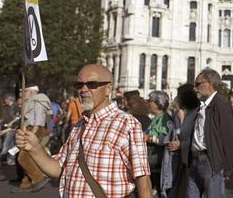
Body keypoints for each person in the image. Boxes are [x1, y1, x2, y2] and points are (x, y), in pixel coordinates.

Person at [15, 64, 152, 198]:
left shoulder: (126, 123)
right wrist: (35, 148)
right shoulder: (80, 125)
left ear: (108, 88)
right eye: (79, 85)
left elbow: (142, 178)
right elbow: (58, 169)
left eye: (92, 84)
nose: (84, 89)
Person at [166, 69, 233, 197]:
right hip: (195, 159)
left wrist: (227, 167)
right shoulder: (200, 107)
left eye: (198, 84)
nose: (195, 88)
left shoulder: (221, 106)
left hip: (211, 161)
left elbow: (229, 139)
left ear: (209, 84)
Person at [14, 85, 52, 193]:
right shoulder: (31, 102)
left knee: (23, 158)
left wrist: (33, 133)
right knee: (28, 156)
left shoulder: (38, 101)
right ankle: (25, 184)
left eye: (25, 91)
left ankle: (39, 178)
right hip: (30, 129)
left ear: (31, 92)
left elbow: (39, 119)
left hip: (35, 129)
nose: (23, 93)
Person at [146, 90, 176, 198]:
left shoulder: (165, 119)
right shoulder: (156, 118)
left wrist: (149, 138)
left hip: (158, 159)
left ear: (158, 103)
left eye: (150, 100)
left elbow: (165, 138)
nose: (148, 103)